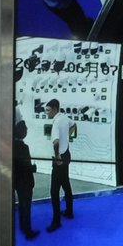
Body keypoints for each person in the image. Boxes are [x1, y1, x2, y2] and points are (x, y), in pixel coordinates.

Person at [44, 99, 74, 233]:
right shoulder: (64, 117)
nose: (46, 112)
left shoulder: (56, 123)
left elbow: (55, 142)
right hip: (67, 154)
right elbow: (74, 125)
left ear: (55, 109)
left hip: (59, 159)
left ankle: (56, 221)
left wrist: (57, 156)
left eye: (48, 110)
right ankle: (69, 211)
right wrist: (67, 137)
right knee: (66, 184)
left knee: (54, 191)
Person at [13, 119, 39, 242]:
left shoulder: (12, 145)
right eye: (26, 129)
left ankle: (22, 226)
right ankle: (28, 231)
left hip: (17, 181)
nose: (27, 130)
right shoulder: (24, 148)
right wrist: (33, 168)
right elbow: (26, 166)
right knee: (26, 206)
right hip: (25, 181)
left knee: (21, 205)